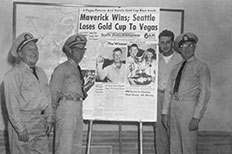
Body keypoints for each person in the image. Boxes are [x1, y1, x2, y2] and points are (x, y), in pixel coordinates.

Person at [3, 32, 54, 154]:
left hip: (40, 123)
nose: (34, 52)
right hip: (23, 123)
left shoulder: (40, 72)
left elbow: (47, 97)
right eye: (30, 49)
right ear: (20, 53)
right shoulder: (13, 75)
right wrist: (20, 128)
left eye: (36, 49)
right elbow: (12, 105)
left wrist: (49, 118)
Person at [161, 32, 211, 154]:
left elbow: (205, 93)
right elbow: (169, 91)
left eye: (190, 45)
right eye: (184, 47)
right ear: (179, 49)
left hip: (188, 108)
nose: (187, 49)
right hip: (174, 108)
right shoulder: (176, 67)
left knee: (188, 146)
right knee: (174, 145)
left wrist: (196, 117)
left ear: (194, 47)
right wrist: (165, 113)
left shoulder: (201, 67)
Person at [50, 33, 88, 154]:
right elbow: (53, 93)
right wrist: (51, 116)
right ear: (69, 51)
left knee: (76, 146)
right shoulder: (62, 68)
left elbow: (76, 91)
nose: (81, 53)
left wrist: (86, 88)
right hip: (66, 108)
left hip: (77, 108)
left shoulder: (77, 69)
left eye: (83, 50)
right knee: (64, 146)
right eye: (77, 49)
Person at [155, 29, 183, 154]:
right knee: (160, 133)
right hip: (158, 98)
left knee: (174, 132)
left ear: (172, 43)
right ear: (159, 44)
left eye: (168, 42)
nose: (165, 45)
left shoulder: (180, 59)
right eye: (162, 42)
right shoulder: (155, 59)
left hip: (174, 99)